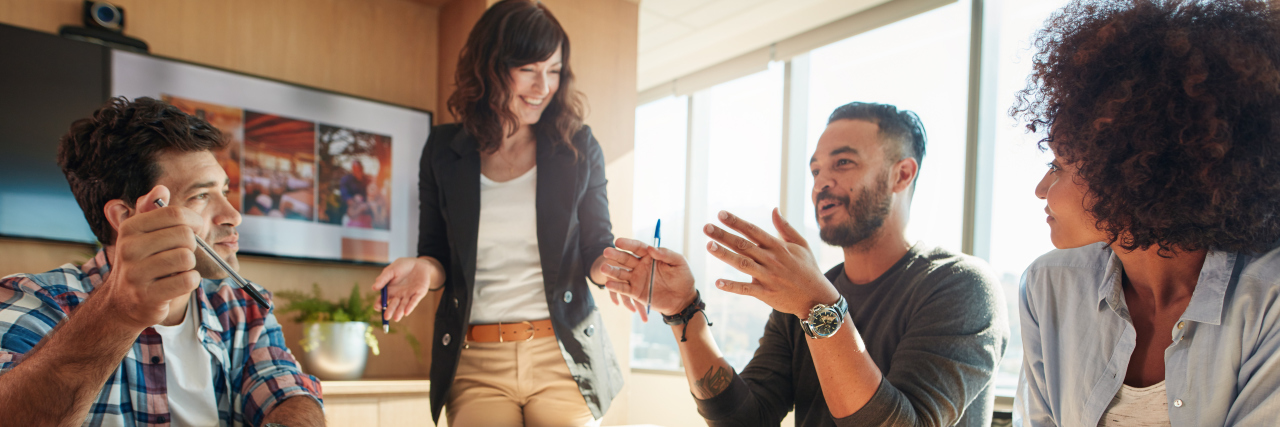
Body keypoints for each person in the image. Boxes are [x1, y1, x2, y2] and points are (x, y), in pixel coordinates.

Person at [603, 102, 1009, 426]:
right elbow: (744, 419)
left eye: (843, 163)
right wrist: (683, 310)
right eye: (816, 169)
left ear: (901, 174)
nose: (820, 182)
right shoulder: (804, 295)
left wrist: (817, 305)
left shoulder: (962, 287)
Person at [1011, 1, 1280, 425]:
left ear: (1133, 169)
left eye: (1058, 167)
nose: (1041, 189)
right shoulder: (1048, 287)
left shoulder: (1268, 299)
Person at [370, 1, 632, 425]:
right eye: (528, 69)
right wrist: (423, 268)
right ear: (490, 67)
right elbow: (435, 254)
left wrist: (618, 269)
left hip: (562, 356)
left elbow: (596, 249)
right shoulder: (442, 150)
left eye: (554, 70)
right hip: (476, 363)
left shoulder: (578, 148)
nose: (543, 86)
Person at [0, 97, 324, 426]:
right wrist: (117, 313)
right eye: (201, 195)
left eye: (225, 191)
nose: (233, 215)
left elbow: (288, 392)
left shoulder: (242, 304)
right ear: (125, 217)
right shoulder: (35, 300)